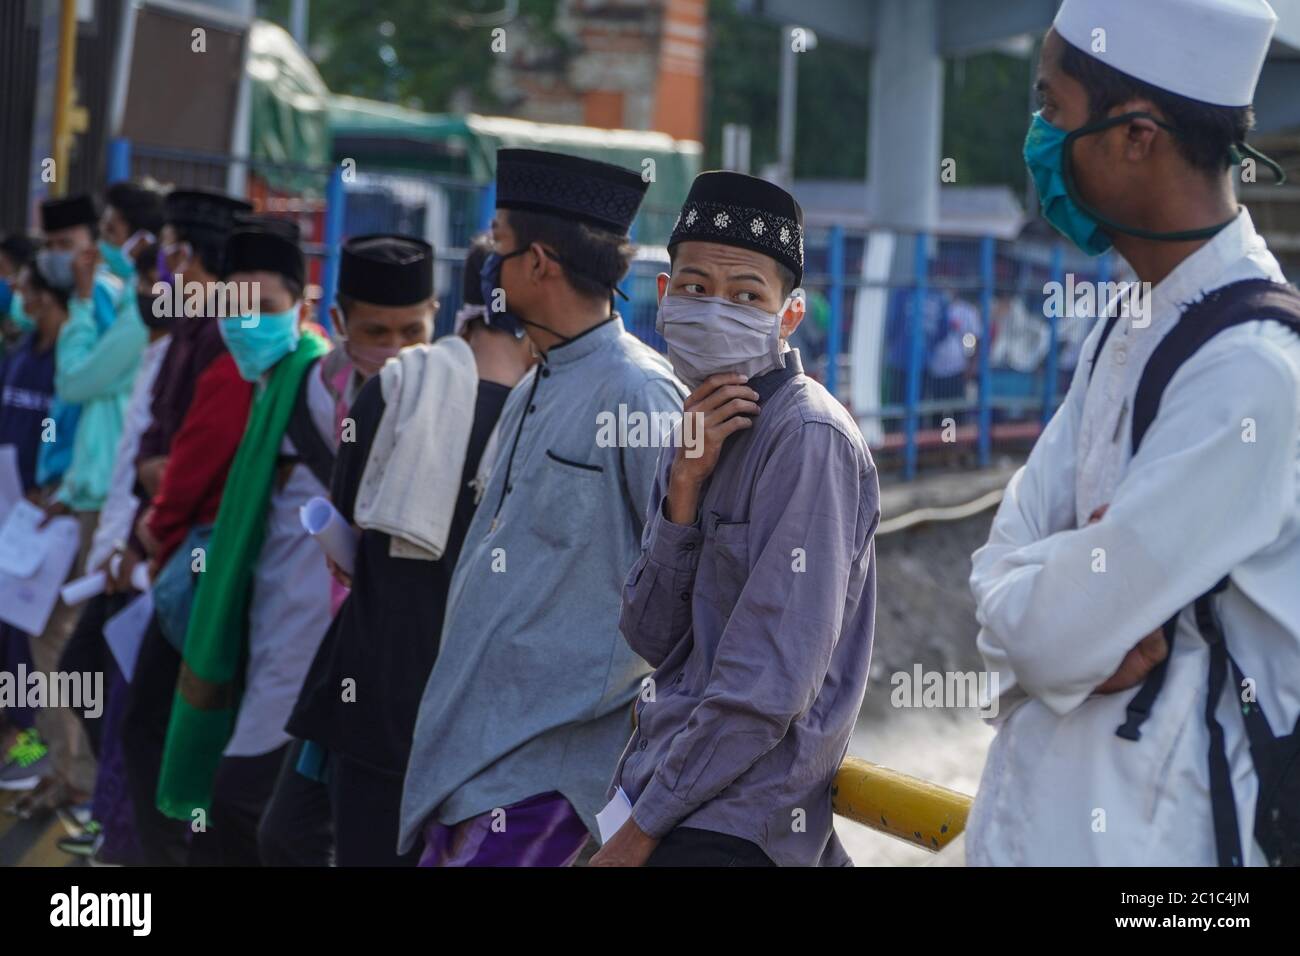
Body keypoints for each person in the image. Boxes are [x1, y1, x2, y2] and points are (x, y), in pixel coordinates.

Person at [968, 0, 1300, 866]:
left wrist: (1050, 619)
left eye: (1052, 109)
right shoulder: (1131, 320)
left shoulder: (1252, 370)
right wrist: (1048, 607)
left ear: (1137, 134)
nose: (1039, 138)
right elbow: (999, 568)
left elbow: (1049, 634)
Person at [399, 148, 685, 866]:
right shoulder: (534, 385)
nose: (489, 263)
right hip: (473, 755)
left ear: (540, 262)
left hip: (552, 776)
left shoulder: (640, 395)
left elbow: (686, 589)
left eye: (499, 243)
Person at [591, 171, 879, 868]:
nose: (714, 309)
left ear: (788, 315)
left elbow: (768, 687)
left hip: (736, 819)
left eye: (746, 294)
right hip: (666, 789)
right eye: (694, 288)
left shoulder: (807, 436)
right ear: (664, 297)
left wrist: (638, 834)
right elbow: (654, 636)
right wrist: (683, 491)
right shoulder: (698, 427)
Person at [286, 234, 536, 866]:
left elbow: (345, 543)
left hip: (381, 705)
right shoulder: (557, 418)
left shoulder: (392, 393)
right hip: (496, 728)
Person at [155, 217, 335, 866]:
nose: (247, 320)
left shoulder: (316, 383)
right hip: (261, 625)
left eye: (265, 306)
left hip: (305, 634)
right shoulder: (265, 384)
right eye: (235, 305)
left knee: (239, 801)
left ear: (303, 306)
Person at [119, 188, 253, 865]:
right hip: (171, 557)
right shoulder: (189, 336)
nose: (166, 270)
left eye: (174, 253)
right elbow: (154, 441)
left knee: (162, 730)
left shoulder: (230, 346)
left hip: (200, 567)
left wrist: (155, 524)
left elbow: (190, 462)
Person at [54, 241, 173, 861]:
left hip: (143, 554)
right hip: (119, 544)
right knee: (83, 674)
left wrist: (132, 548)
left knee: (109, 689)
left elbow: (75, 378)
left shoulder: (157, 340)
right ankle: (112, 809)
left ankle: (123, 822)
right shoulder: (147, 340)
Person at [0, 253, 71, 793]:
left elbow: (55, 430)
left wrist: (48, 482)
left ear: (46, 295)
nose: (17, 295)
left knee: (37, 636)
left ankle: (38, 746)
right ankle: (18, 734)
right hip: (12, 511)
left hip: (44, 516)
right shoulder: (25, 351)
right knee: (11, 631)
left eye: (24, 286)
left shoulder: (66, 360)